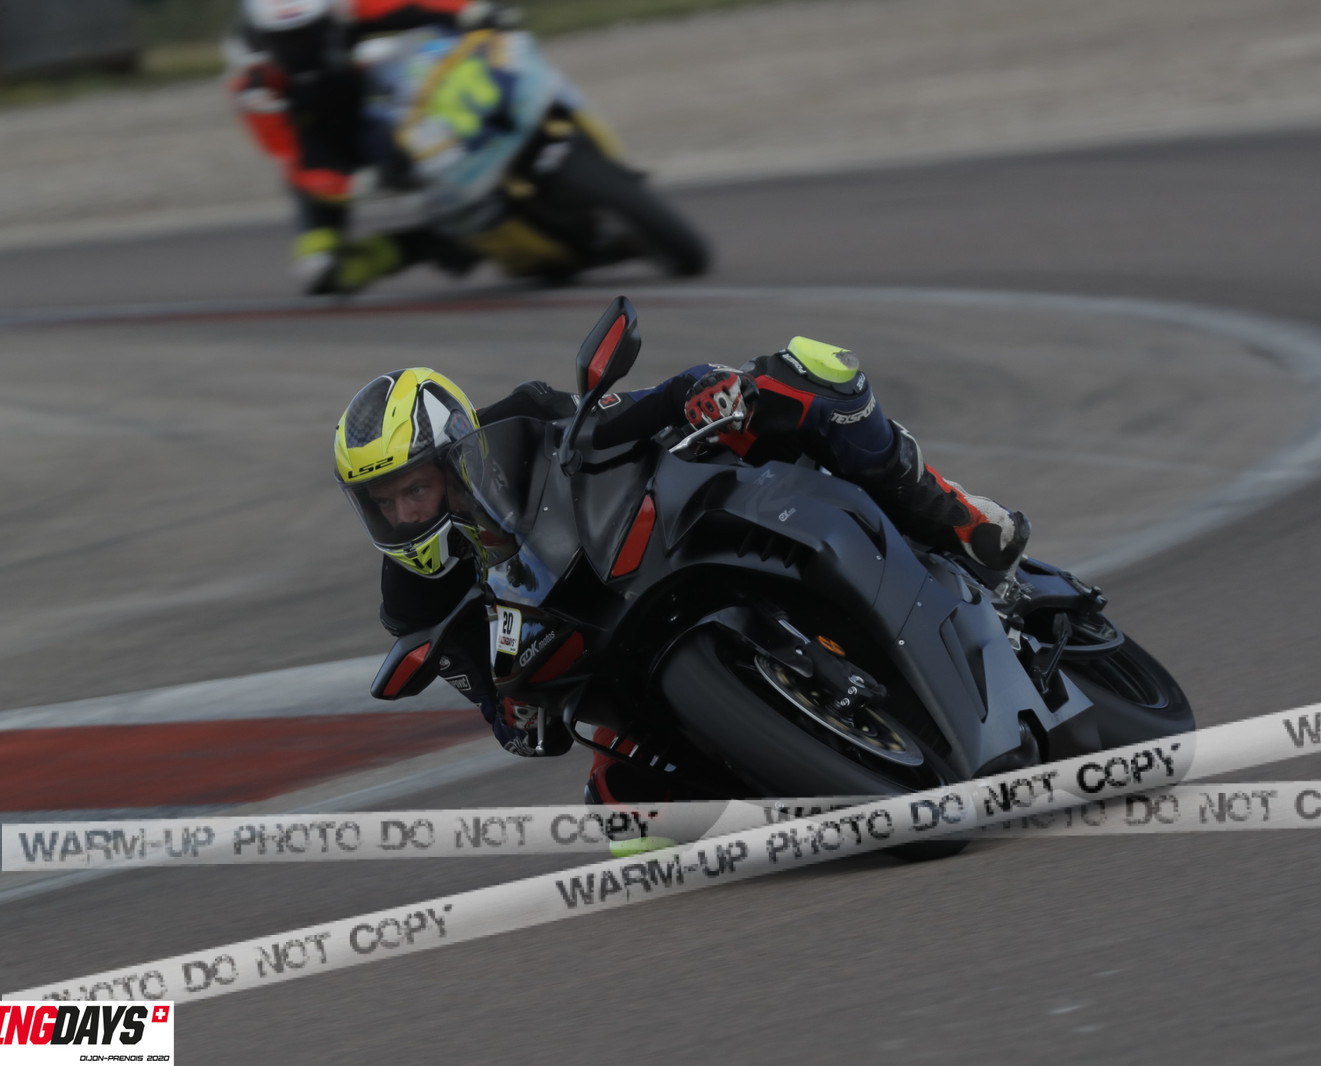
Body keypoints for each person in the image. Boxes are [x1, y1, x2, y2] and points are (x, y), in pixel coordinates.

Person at [335, 341, 1029, 801]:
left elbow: (611, 425)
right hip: (597, 660)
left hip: (640, 545)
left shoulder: (523, 420)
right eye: (382, 502)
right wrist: (513, 713)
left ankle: (960, 516)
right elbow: (504, 716)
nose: (403, 512)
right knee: (625, 817)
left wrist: (697, 392)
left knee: (805, 374)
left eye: (413, 488)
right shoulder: (411, 597)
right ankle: (787, 771)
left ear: (454, 455)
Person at [225, 0, 513, 294]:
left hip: (383, 111)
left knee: (438, 53)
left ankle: (497, 146)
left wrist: (469, 10)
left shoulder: (343, 11)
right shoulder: (254, 84)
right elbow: (291, 155)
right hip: (328, 158)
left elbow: (404, 5)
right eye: (286, 39)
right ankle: (420, 246)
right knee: (320, 269)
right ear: (262, 36)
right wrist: (348, 183)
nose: (300, 47)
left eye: (309, 32)